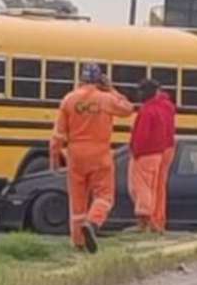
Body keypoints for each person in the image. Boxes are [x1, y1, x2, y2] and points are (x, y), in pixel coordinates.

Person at [49, 63, 134, 253]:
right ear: (99, 80)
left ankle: (78, 241)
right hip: (100, 152)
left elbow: (58, 135)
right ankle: (93, 222)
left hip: (76, 154)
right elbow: (128, 109)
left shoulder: (69, 100)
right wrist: (111, 89)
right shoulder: (106, 99)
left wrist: (54, 158)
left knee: (77, 201)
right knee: (104, 196)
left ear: (81, 79)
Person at [127, 78, 177, 233]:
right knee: (157, 187)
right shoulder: (168, 107)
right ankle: (158, 221)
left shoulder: (148, 110)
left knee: (141, 187)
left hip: (147, 152)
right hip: (165, 149)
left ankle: (145, 221)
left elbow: (142, 135)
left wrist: (135, 151)